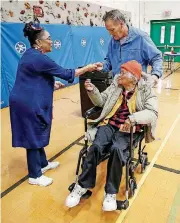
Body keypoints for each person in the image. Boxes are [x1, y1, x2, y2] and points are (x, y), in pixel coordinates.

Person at [9, 21, 97, 187]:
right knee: (33, 136)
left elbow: (34, 77)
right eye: (49, 39)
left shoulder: (31, 55)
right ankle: (34, 175)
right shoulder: (39, 58)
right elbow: (66, 73)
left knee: (38, 131)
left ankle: (42, 164)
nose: (52, 41)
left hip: (26, 100)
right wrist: (88, 68)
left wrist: (52, 83)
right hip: (26, 104)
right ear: (38, 42)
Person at [65, 60, 158, 211]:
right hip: (109, 123)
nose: (118, 75)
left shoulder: (145, 90)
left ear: (133, 77)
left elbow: (152, 113)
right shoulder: (116, 85)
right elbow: (102, 101)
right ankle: (82, 186)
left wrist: (133, 119)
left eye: (122, 73)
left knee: (116, 150)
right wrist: (92, 90)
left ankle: (111, 193)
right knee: (95, 147)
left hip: (128, 128)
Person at [94, 9, 163, 87]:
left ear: (121, 23)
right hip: (117, 88)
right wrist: (103, 66)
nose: (110, 33)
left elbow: (156, 57)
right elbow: (109, 61)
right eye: (108, 30)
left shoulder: (140, 37)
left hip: (136, 89)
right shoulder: (113, 41)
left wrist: (155, 75)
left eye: (112, 30)